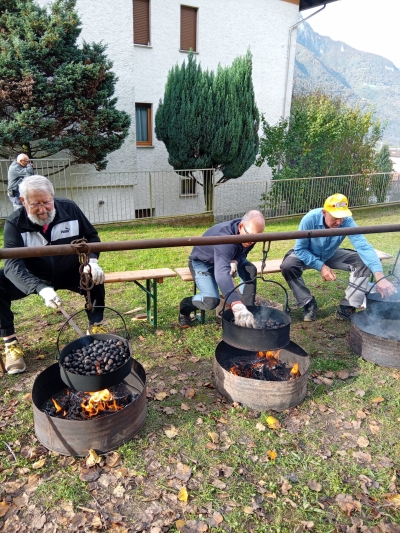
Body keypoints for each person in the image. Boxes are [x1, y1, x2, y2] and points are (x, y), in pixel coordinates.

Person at [1, 175, 106, 375]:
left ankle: (96, 326)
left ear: (53, 197)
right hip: (34, 276)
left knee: (95, 278)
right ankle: (10, 343)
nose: (43, 210)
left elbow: (92, 237)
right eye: (36, 204)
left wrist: (92, 262)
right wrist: (40, 288)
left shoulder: (71, 210)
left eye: (47, 202)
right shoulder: (14, 223)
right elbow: (13, 264)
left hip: (69, 271)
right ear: (23, 202)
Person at [280, 193, 396, 322]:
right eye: (335, 217)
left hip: (330, 254)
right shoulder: (309, 219)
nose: (339, 222)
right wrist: (321, 266)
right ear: (324, 212)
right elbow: (300, 249)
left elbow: (363, 246)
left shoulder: (347, 221)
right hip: (307, 253)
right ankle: (308, 303)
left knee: (362, 262)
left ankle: (347, 307)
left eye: (342, 217)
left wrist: (380, 277)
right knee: (288, 266)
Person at [178, 210, 266, 329]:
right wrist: (235, 304)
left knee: (250, 270)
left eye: (256, 238)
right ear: (240, 227)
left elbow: (242, 252)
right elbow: (221, 274)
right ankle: (185, 307)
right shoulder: (225, 238)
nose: (252, 242)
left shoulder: (250, 233)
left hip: (227, 258)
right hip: (203, 262)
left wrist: (235, 260)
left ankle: (247, 314)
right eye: (250, 237)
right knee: (211, 301)